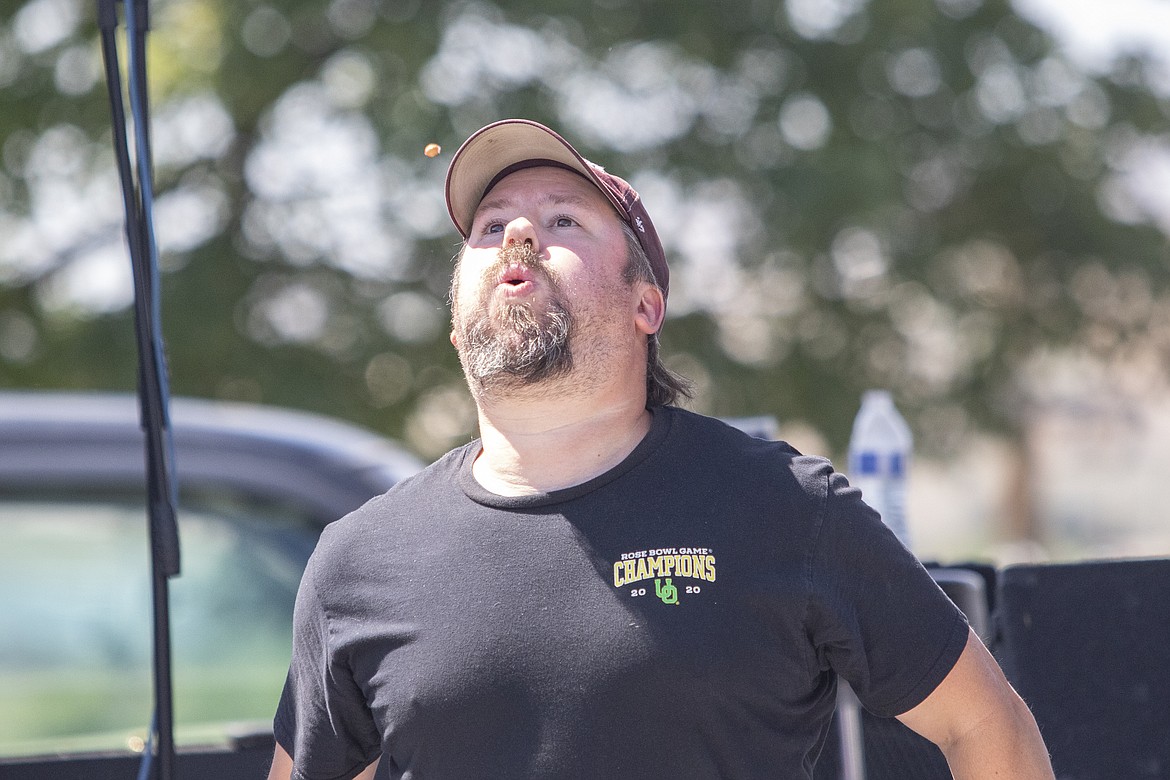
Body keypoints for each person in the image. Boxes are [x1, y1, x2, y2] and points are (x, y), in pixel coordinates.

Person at [267, 119, 1054, 780]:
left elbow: (988, 730)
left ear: (646, 303)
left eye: (564, 220)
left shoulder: (784, 507)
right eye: (488, 226)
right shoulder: (357, 562)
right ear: (453, 323)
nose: (516, 234)